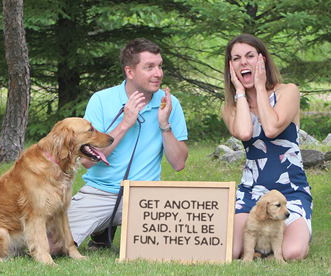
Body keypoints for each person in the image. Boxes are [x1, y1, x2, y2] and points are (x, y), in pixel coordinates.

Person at [51, 38, 188, 252]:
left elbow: (179, 163)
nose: (158, 73)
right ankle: (102, 229)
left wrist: (164, 124)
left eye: (160, 66)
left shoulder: (169, 103)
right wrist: (125, 124)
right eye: (149, 67)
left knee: (172, 247)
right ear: (130, 72)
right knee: (51, 246)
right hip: (100, 192)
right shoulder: (101, 100)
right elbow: (87, 161)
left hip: (147, 196)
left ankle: (104, 231)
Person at [221, 34, 312, 261]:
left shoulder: (288, 91)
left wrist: (260, 87)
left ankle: (281, 240)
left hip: (290, 191)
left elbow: (271, 128)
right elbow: (244, 133)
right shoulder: (230, 107)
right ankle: (264, 246)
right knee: (231, 252)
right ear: (230, 67)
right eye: (236, 58)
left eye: (250, 56)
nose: (243, 62)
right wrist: (241, 93)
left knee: (292, 253)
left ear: (262, 60)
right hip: (252, 192)